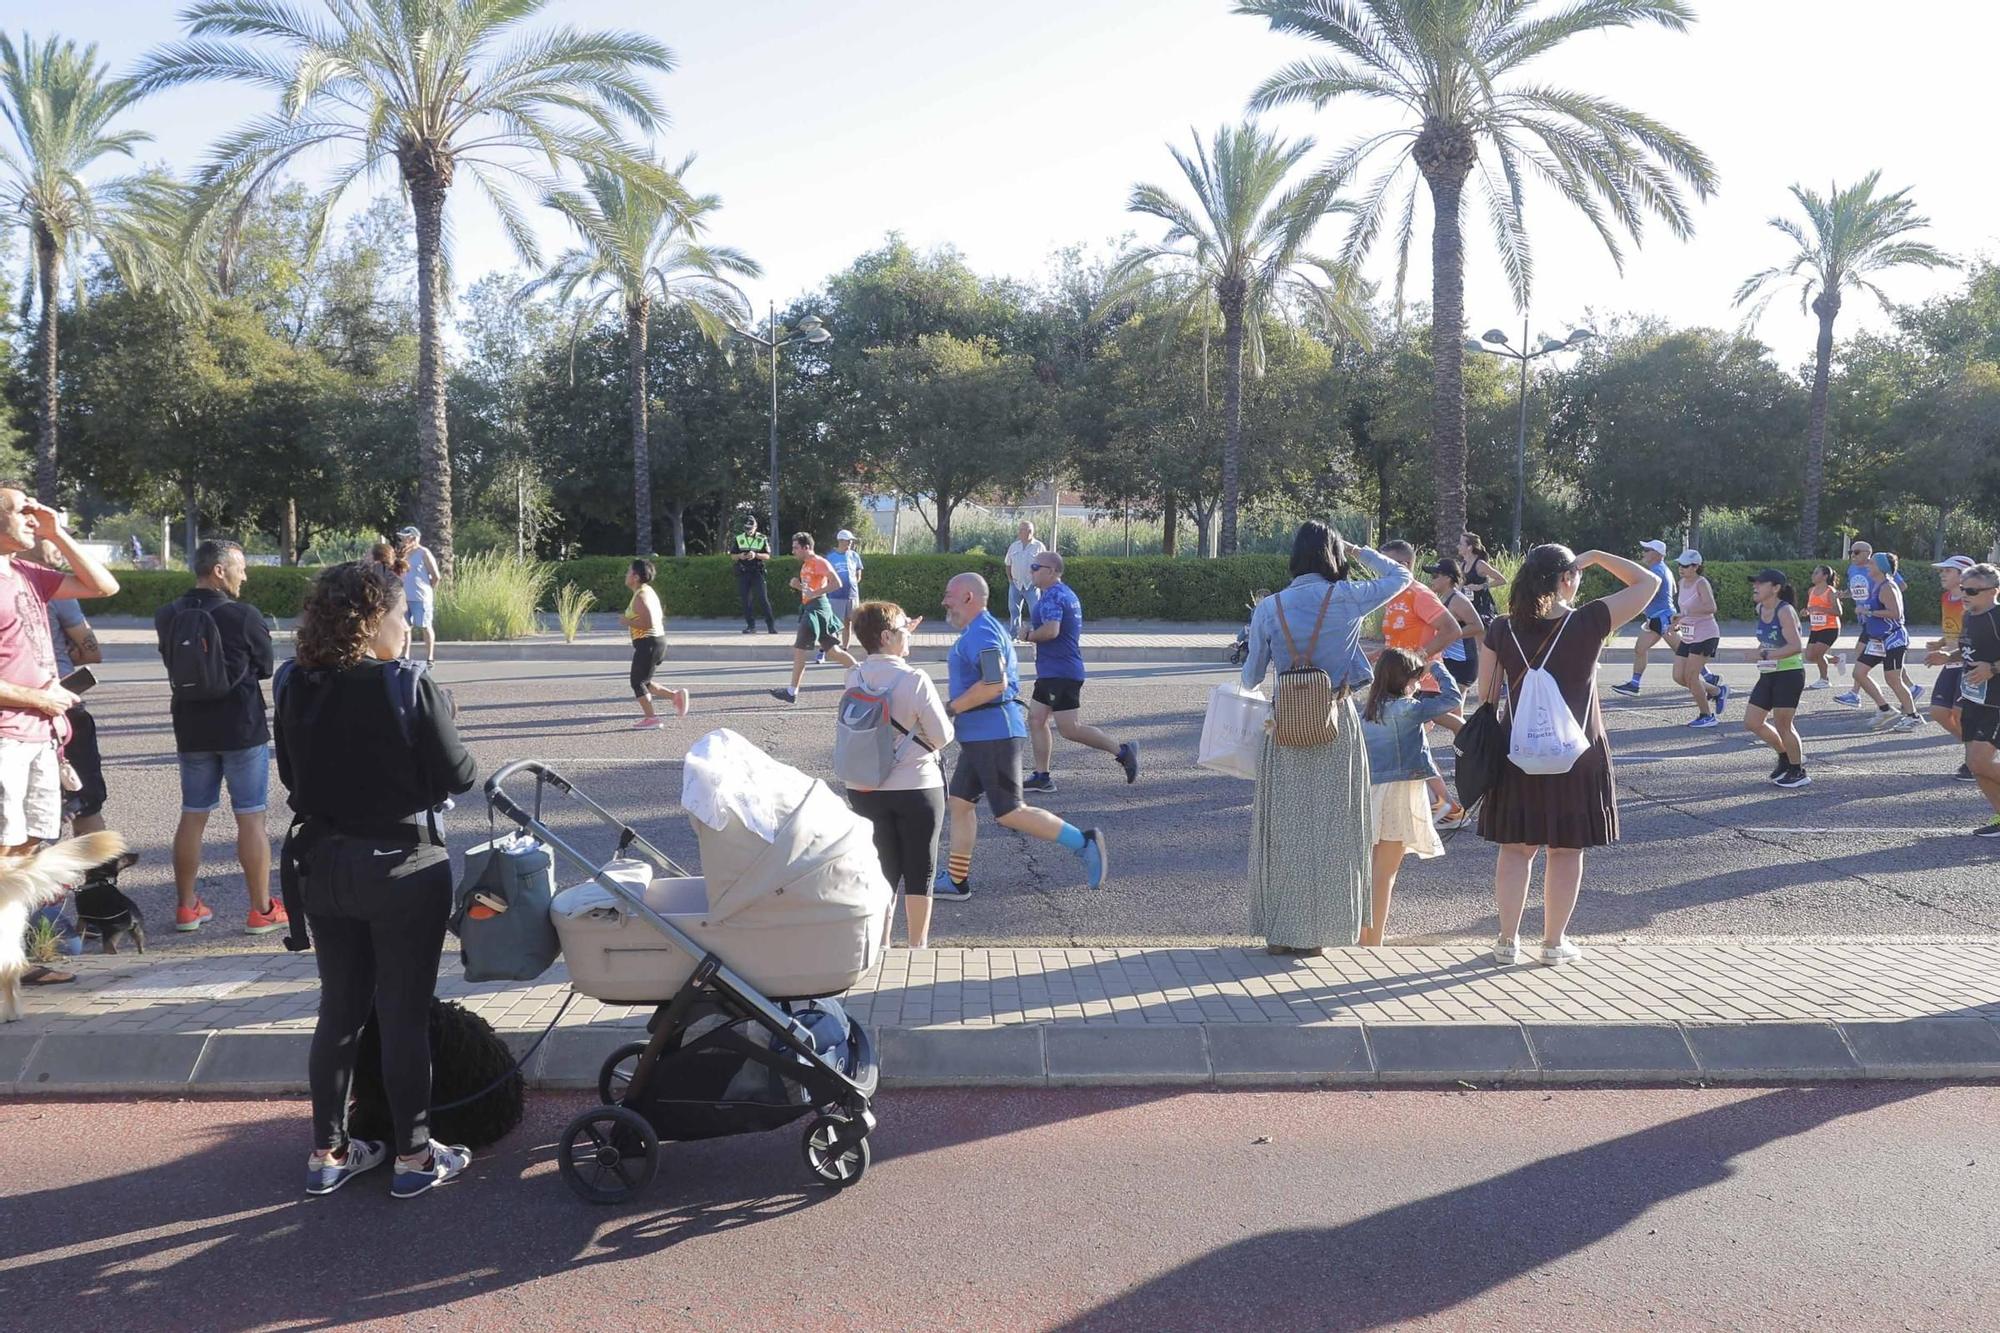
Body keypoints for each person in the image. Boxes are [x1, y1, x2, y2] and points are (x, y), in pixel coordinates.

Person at [276, 561, 480, 1198]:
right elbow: (460, 775)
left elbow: (289, 775)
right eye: (400, 616)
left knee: (338, 1011)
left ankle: (328, 1153)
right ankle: (414, 1157)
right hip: (402, 864)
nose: (407, 627)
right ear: (372, 622)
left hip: (322, 863)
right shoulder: (406, 684)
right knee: (402, 1015)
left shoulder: (292, 682)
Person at [1477, 545, 1656, 966]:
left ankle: (1506, 941)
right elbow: (1649, 583)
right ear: (1566, 578)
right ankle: (1554, 944)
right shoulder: (1590, 621)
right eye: (1576, 573)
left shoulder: (1502, 629)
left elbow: (1485, 695)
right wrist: (1595, 554)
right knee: (1566, 849)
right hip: (1579, 753)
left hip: (1517, 751)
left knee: (1516, 848)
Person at [1239, 523, 1410, 956]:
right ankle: (1321, 933)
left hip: (1285, 728)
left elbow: (1251, 676)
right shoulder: (1348, 596)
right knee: (1337, 830)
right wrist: (1360, 551)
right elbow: (1402, 578)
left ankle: (1282, 931)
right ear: (1333, 555)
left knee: (1284, 832)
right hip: (1337, 722)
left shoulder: (1269, 606)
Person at [0, 488, 119, 989]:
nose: (31, 515)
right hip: (9, 735)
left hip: (43, 736)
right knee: (6, 853)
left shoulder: (27, 573)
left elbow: (103, 587)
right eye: (19, 509)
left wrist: (57, 532)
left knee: (26, 851)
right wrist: (36, 699)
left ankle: (13, 963)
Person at [932, 572, 1106, 899]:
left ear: (969, 597)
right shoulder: (980, 630)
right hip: (981, 734)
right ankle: (957, 882)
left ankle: (1084, 842)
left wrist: (950, 708)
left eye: (948, 596)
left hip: (993, 734)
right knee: (959, 804)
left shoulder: (982, 633)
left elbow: (993, 683)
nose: (944, 602)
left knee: (1011, 811)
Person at [153, 539, 287, 936]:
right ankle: (261, 910)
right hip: (240, 726)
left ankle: (186, 907)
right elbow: (264, 666)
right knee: (251, 816)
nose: (244, 575)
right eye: (240, 567)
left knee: (193, 814)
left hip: (191, 727)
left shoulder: (167, 614)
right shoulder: (242, 615)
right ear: (218, 571)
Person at [843, 601, 953, 948]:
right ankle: (917, 946)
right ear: (888, 636)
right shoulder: (915, 679)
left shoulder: (854, 676)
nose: (910, 635)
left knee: (881, 867)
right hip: (916, 786)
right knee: (921, 868)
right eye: (904, 630)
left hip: (864, 785)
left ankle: (882, 943)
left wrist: (900, 629)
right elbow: (942, 737)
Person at [28, 541, 112, 955]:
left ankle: (38, 917)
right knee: (87, 808)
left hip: (21, 715)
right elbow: (91, 651)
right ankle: (97, 909)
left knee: (29, 823)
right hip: (64, 708)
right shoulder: (55, 594)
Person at [1359, 652, 1462, 947]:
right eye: (1415, 678)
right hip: (1400, 793)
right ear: (1406, 680)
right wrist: (1437, 669)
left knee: (1370, 870)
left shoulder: (1368, 711)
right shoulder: (1409, 708)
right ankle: (1373, 941)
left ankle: (1362, 935)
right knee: (1385, 873)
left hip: (1371, 793)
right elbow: (1452, 698)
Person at [1018, 551, 1138, 793]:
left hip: (1059, 673)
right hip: (1055, 671)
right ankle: (1042, 776)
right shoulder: (1064, 593)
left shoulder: (1053, 596)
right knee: (1036, 719)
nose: (1031, 571)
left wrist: (1028, 635)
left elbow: (1052, 631)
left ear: (1051, 571)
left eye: (1035, 567)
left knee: (1069, 728)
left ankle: (1123, 752)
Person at [1379, 539, 1467, 826]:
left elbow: (1452, 629)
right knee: (1412, 747)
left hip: (1422, 683)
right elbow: (1396, 644)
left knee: (1412, 746)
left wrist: (1418, 660)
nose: (1380, 571)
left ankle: (1448, 807)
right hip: (1399, 685)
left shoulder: (1419, 594)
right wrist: (1370, 656)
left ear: (1403, 566)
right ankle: (1442, 806)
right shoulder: (1392, 596)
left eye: (1385, 565)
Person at [1943, 563, 2000, 837]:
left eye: (1973, 590)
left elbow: (1989, 663)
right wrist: (1948, 657)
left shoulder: (1998, 617)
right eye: (1964, 589)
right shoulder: (1969, 616)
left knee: (1979, 762)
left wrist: (1993, 668)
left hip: (1996, 702)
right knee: (1976, 767)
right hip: (1973, 699)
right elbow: (1967, 652)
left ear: (1994, 591)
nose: (1965, 594)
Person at [770, 534, 857, 704]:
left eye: (796, 547)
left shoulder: (819, 562)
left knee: (800, 648)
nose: (793, 551)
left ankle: (791, 691)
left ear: (806, 547)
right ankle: (863, 673)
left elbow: (837, 583)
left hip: (817, 609)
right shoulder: (806, 565)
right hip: (811, 607)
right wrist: (798, 586)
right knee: (833, 651)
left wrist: (814, 593)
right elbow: (809, 588)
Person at [1743, 569, 1810, 788]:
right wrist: (1760, 652)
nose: (1755, 586)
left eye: (1760, 583)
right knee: (1752, 722)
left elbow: (1795, 646)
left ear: (1775, 588)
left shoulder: (1785, 611)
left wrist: (1763, 654)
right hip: (1769, 673)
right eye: (1755, 583)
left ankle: (1798, 770)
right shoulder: (1760, 608)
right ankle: (1784, 756)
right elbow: (1767, 641)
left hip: (1789, 674)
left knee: (1784, 724)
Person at [1857, 551, 1920, 731]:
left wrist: (1868, 612)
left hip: (1893, 639)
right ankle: (1885, 709)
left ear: (1881, 567)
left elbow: (1896, 614)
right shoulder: (1876, 585)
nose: (1868, 565)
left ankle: (1912, 716)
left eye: (1872, 563)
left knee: (1893, 679)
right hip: (1877, 640)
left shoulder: (1888, 587)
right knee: (1859, 673)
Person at [622, 559, 688, 729]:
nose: (626, 575)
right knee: (645, 681)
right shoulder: (646, 591)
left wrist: (626, 621)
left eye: (628, 572)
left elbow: (648, 623)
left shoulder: (641, 595)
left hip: (648, 643)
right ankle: (675, 696)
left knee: (637, 683)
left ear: (635, 577)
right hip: (655, 642)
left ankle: (651, 719)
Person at [1926, 556, 1976, 779]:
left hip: (1969, 662)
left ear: (1963, 575)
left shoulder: (1973, 600)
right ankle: (1975, 750)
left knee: (1960, 712)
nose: (1942, 574)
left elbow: (1976, 634)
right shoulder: (1946, 597)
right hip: (1951, 661)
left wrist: (1949, 654)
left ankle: (1974, 758)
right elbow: (1953, 631)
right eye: (1942, 571)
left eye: (1948, 570)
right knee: (1938, 711)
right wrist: (1940, 643)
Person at [1669, 549, 1727, 728]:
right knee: (1679, 677)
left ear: (1696, 567)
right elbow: (1686, 609)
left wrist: (1686, 614)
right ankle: (1717, 691)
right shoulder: (1681, 582)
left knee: (1692, 677)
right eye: (1680, 565)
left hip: (1705, 634)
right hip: (1688, 635)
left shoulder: (1701, 583)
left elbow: (1711, 607)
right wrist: (1680, 618)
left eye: (1685, 566)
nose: (1681, 568)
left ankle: (1707, 716)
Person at [1612, 540, 1676, 696]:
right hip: (1657, 617)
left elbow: (1644, 591)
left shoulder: (1656, 571)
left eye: (1647, 550)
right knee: (1640, 649)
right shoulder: (1662, 569)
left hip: (1663, 618)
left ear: (1656, 554)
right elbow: (1673, 589)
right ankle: (1634, 684)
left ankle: (1710, 680)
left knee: (1683, 651)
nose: (1644, 552)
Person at [1425, 557, 1483, 696]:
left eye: (1435, 576)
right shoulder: (1442, 598)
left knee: (1448, 710)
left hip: (1461, 662)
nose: (1431, 580)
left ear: (1447, 578)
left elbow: (1478, 626)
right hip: (1448, 660)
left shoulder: (1457, 599)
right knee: (1443, 710)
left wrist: (1451, 634)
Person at [393, 527, 440, 664]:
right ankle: (405, 655)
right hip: (404, 597)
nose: (404, 540)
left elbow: (436, 576)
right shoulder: (402, 555)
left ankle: (430, 657)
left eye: (407, 537)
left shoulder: (423, 553)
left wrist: (427, 589)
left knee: (425, 625)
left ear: (414, 538)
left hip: (421, 597)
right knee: (405, 627)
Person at [729, 514, 777, 635]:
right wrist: (740, 556)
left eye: (750, 528)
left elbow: (767, 556)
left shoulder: (762, 538)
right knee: (746, 600)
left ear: (755, 527)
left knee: (763, 599)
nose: (748, 531)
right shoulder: (739, 538)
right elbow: (732, 555)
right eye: (746, 528)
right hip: (743, 572)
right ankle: (751, 626)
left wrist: (755, 555)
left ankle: (771, 626)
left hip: (757, 572)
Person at [1803, 564, 1844, 690]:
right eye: (1813, 572)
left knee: (1819, 653)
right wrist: (1806, 612)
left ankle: (1824, 680)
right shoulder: (1811, 590)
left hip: (1830, 627)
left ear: (1825, 576)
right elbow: (1811, 608)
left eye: (1816, 573)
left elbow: (1839, 612)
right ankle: (1837, 660)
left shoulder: (1830, 591)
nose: (1813, 575)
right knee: (1809, 656)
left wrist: (1821, 609)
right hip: (1816, 628)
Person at [825, 530, 865, 656]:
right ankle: (832, 648)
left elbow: (859, 571)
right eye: (848, 541)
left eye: (851, 541)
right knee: (835, 623)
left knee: (849, 622)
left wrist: (855, 581)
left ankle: (845, 648)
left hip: (852, 595)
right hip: (835, 595)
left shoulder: (854, 555)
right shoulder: (831, 557)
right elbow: (826, 576)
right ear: (840, 541)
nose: (850, 543)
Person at [1003, 521, 1046, 635]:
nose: (1024, 532)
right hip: (1016, 584)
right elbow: (1008, 564)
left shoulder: (1039, 546)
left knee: (1035, 611)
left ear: (1032, 532)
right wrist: (1010, 580)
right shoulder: (1014, 546)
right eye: (1022, 530)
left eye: (1028, 530)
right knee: (1014, 611)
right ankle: (1014, 634)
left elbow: (1045, 566)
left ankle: (1037, 634)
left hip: (1032, 585)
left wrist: (1039, 582)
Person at [1456, 532, 1503, 622]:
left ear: (1469, 547)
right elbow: (1460, 585)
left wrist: (1480, 587)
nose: (1458, 546)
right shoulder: (1462, 565)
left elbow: (1502, 580)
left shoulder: (1480, 564)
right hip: (1469, 606)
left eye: (1461, 544)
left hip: (1482, 607)